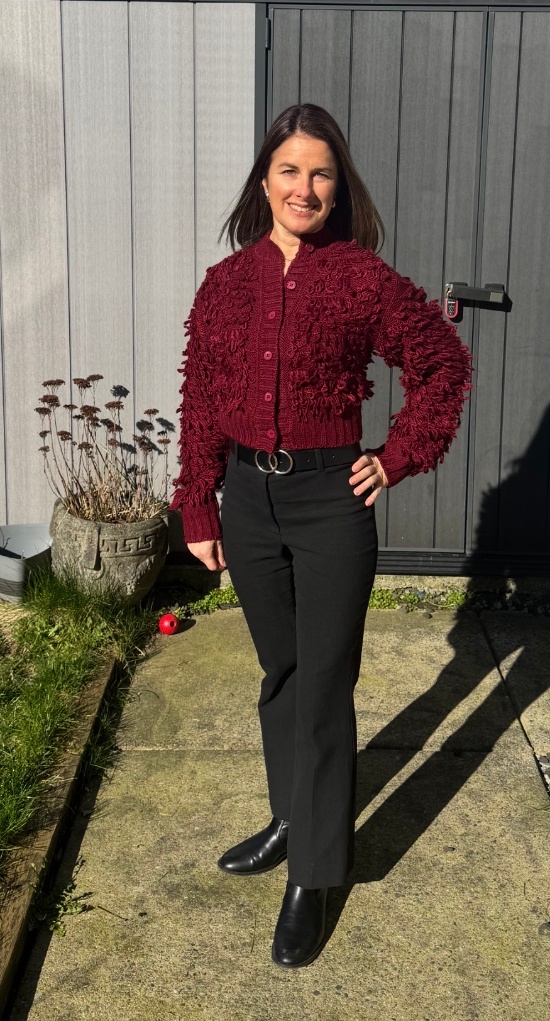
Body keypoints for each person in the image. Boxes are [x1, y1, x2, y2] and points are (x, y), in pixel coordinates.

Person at [170, 104, 471, 969]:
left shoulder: (362, 280)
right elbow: (201, 399)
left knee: (326, 681)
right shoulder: (225, 284)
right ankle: (290, 815)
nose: (304, 188)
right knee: (283, 672)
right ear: (264, 180)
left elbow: (442, 365)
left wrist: (396, 457)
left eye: (321, 173)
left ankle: (315, 871)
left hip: (329, 502)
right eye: (290, 170)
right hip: (247, 501)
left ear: (339, 189)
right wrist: (198, 506)